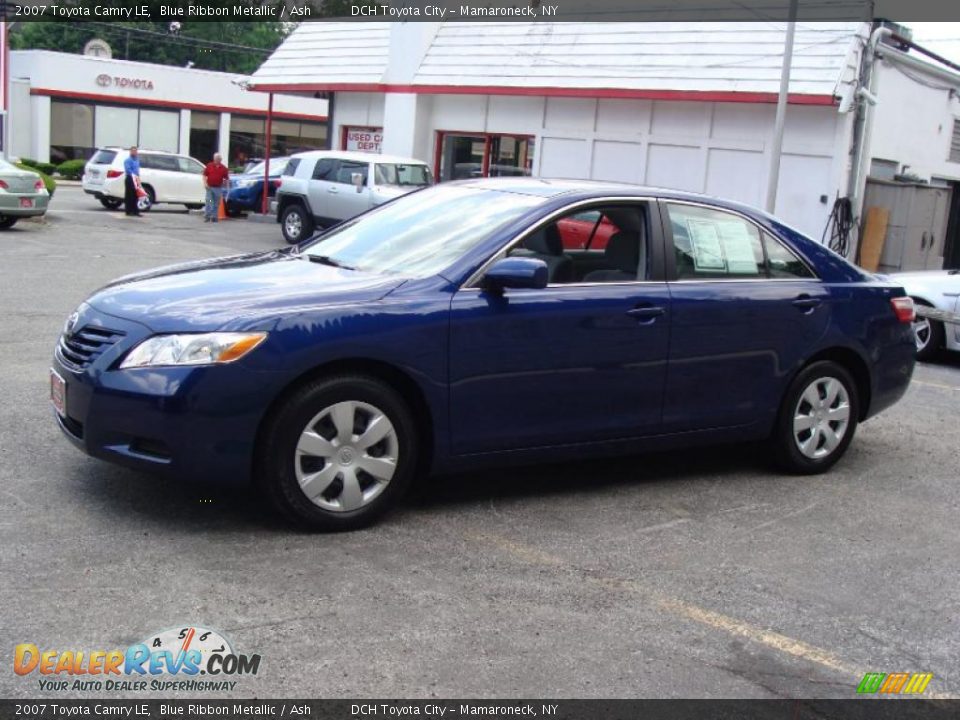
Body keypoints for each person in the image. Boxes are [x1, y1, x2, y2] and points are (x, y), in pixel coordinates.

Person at [202, 153, 230, 223]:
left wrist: (226, 186)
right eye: (216, 158)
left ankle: (214, 217)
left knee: (216, 203)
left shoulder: (224, 168)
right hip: (209, 187)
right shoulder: (209, 166)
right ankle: (207, 217)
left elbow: (226, 179)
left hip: (218, 188)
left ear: (221, 160)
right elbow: (204, 175)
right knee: (209, 201)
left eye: (219, 159)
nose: (217, 160)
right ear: (214, 159)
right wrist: (205, 184)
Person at [123, 146, 141, 217]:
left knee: (136, 195)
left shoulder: (137, 160)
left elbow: (137, 170)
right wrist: (134, 176)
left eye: (135, 151)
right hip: (130, 178)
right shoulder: (127, 160)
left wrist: (138, 178)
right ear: (130, 152)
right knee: (129, 196)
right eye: (133, 151)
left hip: (136, 178)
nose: (134, 152)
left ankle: (135, 211)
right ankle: (128, 211)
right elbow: (128, 170)